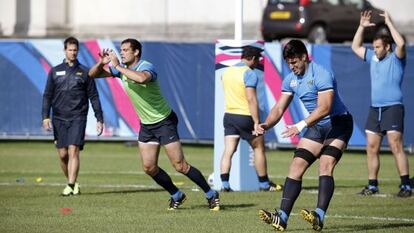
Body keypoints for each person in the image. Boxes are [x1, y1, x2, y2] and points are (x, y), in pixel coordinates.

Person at [88, 38, 220, 210]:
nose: (121, 53)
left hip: (164, 121)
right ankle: (176, 194)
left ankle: (211, 194)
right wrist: (101, 63)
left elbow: (142, 79)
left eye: (126, 50)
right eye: (121, 50)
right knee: (149, 167)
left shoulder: (146, 66)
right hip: (147, 125)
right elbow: (92, 74)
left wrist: (117, 66)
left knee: (180, 166)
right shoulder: (123, 71)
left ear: (136, 52)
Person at [257, 39, 353, 231]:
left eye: (295, 62)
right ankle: (282, 217)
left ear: (304, 57)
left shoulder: (322, 74)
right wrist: (266, 124)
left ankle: (319, 215)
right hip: (316, 126)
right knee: (296, 166)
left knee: (326, 164)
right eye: (289, 63)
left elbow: (325, 108)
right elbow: (278, 108)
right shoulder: (290, 80)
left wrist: (300, 125)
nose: (292, 67)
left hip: (338, 123)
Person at [351, 11, 411, 198]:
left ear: (387, 46)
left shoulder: (397, 58)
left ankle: (406, 185)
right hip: (374, 109)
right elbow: (355, 46)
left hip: (393, 108)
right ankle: (372, 185)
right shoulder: (373, 58)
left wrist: (389, 22)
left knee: (395, 146)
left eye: (378, 47)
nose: (375, 49)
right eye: (374, 47)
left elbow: (401, 43)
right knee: (371, 147)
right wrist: (361, 26)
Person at [42, 36, 104, 196]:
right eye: (70, 50)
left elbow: (94, 96)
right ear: (65, 50)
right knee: (63, 155)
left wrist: (99, 118)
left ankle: (69, 185)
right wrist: (45, 116)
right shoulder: (55, 71)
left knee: (73, 150)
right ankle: (73, 182)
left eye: (75, 50)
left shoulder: (85, 72)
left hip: (78, 117)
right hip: (59, 118)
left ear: (78, 51)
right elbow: (47, 95)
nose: (73, 52)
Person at [220, 46, 282, 192]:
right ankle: (264, 184)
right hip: (245, 116)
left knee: (228, 150)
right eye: (258, 60)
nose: (258, 63)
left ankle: (225, 184)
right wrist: (256, 121)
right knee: (258, 147)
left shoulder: (226, 72)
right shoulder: (249, 73)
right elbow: (251, 98)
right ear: (253, 58)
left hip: (229, 116)